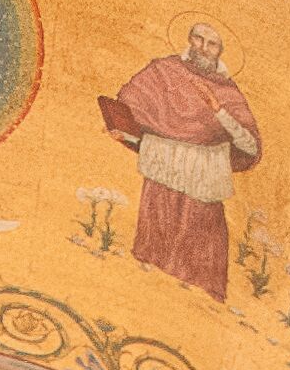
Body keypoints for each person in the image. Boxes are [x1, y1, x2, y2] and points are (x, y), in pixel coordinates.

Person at [96, 21, 260, 299]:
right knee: (156, 231)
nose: (203, 48)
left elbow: (249, 145)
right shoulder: (163, 72)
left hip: (203, 175)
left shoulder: (228, 93)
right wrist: (125, 135)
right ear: (188, 38)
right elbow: (137, 116)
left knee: (201, 235)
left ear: (221, 50)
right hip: (163, 168)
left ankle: (200, 296)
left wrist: (219, 111)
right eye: (198, 38)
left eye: (212, 43)